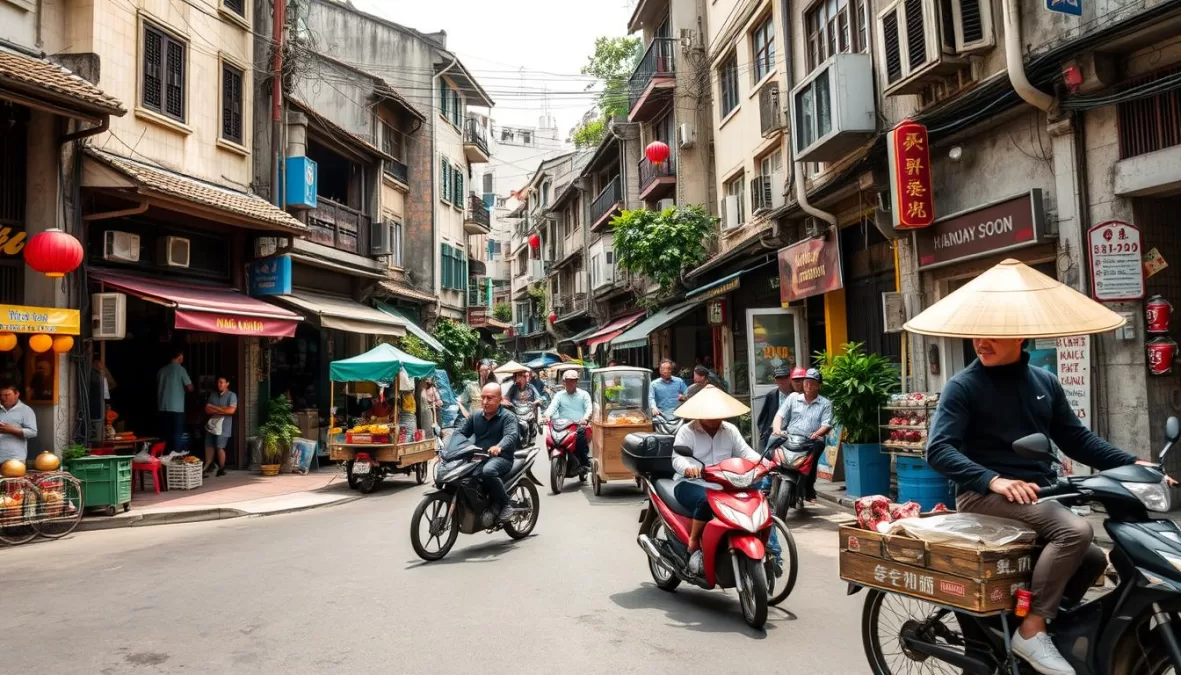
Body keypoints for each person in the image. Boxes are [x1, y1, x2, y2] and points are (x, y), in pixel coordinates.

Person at [914, 259, 1174, 675]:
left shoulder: (1043, 382)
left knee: (1090, 559)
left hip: (1036, 492)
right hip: (982, 496)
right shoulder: (963, 387)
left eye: (992, 333)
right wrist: (993, 480)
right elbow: (938, 450)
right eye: (977, 332)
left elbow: (1076, 438)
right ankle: (1031, 632)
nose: (981, 340)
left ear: (1019, 334)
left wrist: (1132, 464)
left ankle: (1037, 623)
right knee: (1075, 531)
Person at [670, 385, 768, 575]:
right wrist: (688, 468)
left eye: (718, 413)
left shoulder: (730, 430)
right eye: (710, 414)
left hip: (725, 484)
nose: (715, 418)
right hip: (690, 483)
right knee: (706, 501)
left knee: (756, 499)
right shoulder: (687, 431)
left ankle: (770, 552)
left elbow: (746, 452)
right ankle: (693, 544)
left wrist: (764, 463)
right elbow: (677, 458)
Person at [455, 382, 520, 522]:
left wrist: (499, 446)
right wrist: (447, 444)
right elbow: (461, 433)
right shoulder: (476, 415)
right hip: (479, 457)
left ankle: (505, 504)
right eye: (483, 398)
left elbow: (510, 436)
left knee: (488, 471)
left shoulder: (508, 417)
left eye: (490, 398)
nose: (485, 402)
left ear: (500, 399)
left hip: (502, 458)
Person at [771, 368, 833, 502]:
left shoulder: (826, 403)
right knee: (773, 450)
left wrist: (817, 433)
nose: (808, 385)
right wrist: (777, 429)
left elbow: (826, 424)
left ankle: (809, 487)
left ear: (819, 385)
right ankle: (772, 482)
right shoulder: (793, 398)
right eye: (806, 382)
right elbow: (779, 416)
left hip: (811, 440)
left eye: (812, 383)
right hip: (791, 437)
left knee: (814, 455)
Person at [543, 370, 593, 472]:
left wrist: (585, 418)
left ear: (577, 382)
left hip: (579, 425)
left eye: (573, 381)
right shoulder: (559, 395)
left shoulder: (584, 394)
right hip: (563, 426)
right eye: (568, 381)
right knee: (552, 437)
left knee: (581, 437)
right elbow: (552, 407)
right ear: (563, 382)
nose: (571, 383)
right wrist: (547, 416)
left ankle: (584, 462)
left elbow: (589, 409)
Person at [157, 349, 193, 454]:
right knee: (177, 434)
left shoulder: (161, 371)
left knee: (164, 434)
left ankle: (162, 457)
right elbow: (190, 388)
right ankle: (176, 458)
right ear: (180, 356)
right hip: (177, 408)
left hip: (162, 407)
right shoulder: (181, 370)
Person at [203, 376, 237, 477]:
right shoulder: (213, 395)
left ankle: (222, 468)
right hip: (212, 424)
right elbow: (207, 410)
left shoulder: (232, 395)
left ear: (227, 383)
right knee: (208, 444)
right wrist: (223, 409)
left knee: (220, 446)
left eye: (221, 382)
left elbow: (231, 411)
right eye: (218, 382)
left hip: (224, 424)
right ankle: (207, 466)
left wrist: (214, 407)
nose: (219, 384)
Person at [756, 366, 797, 445]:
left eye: (784, 378)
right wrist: (763, 431)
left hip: (792, 433)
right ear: (775, 380)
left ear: (790, 378)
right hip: (774, 433)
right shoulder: (771, 395)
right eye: (778, 378)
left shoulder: (796, 395)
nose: (781, 381)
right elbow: (764, 416)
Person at [0, 382, 37, 464]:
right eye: (1, 395)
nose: (3, 398)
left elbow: (33, 432)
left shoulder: (26, 410)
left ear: (17, 394)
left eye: (7, 395)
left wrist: (12, 430)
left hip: (15, 458)